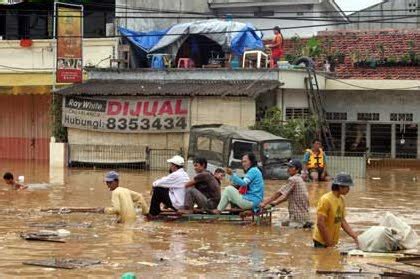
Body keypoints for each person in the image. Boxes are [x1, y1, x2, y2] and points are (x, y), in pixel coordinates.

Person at [313, 173, 359, 248]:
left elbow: (341, 221)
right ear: (340, 187)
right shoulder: (326, 199)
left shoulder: (341, 199)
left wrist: (355, 236)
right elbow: (320, 223)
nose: (349, 189)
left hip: (332, 241)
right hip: (321, 241)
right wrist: (329, 242)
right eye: (347, 187)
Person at [260, 159, 311, 228]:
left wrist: (264, 203)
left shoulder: (293, 179)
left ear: (297, 170)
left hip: (297, 219)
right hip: (304, 217)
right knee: (282, 223)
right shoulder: (300, 179)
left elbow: (279, 193)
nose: (288, 169)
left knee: (274, 228)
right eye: (288, 167)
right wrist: (275, 203)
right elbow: (286, 197)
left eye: (290, 167)